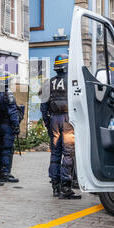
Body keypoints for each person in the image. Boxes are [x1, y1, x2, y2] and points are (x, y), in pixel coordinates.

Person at [40, 54, 81, 199]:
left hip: (54, 121)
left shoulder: (48, 83)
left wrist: (47, 123)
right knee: (68, 154)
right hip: (68, 120)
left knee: (55, 153)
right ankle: (66, 187)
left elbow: (43, 106)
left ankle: (55, 186)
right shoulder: (72, 82)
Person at [0, 71, 21, 183]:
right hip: (7, 125)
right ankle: (5, 173)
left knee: (1, 149)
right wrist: (16, 125)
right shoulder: (7, 93)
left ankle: (1, 172)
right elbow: (12, 112)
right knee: (7, 150)